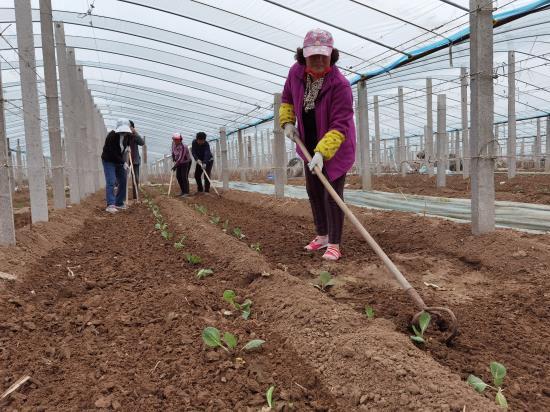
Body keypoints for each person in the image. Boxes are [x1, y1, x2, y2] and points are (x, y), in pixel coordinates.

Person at [279, 29, 356, 261]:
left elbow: (340, 123)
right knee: (313, 191)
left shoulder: (340, 85)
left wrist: (322, 152)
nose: (319, 60)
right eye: (313, 55)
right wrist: (287, 122)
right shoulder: (296, 73)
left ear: (332, 55)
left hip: (334, 147)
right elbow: (287, 99)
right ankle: (322, 236)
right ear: (303, 55)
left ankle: (334, 243)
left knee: (331, 195)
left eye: (324, 55)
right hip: (307, 143)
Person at [101, 118, 132, 213]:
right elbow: (113, 152)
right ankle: (110, 204)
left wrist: (126, 149)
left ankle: (118, 202)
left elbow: (125, 147)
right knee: (111, 181)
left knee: (123, 180)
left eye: (125, 131)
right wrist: (123, 162)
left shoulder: (127, 136)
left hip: (119, 161)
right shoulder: (112, 136)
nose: (123, 133)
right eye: (122, 131)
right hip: (109, 160)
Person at [127, 120, 144, 200]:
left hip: (135, 160)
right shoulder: (123, 135)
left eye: (130, 126)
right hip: (125, 160)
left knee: (135, 178)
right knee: (123, 178)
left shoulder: (134, 136)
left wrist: (135, 132)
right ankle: (122, 196)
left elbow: (141, 142)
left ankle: (135, 196)